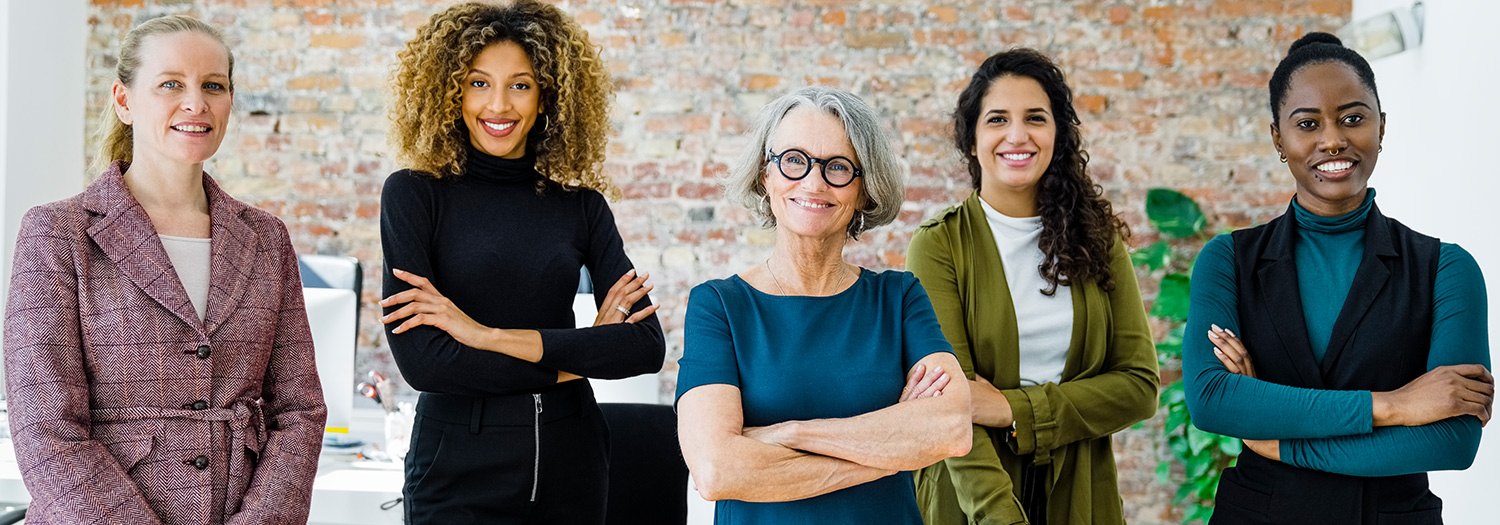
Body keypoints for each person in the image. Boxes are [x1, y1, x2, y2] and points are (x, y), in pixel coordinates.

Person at [3, 15, 327, 524]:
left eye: (213, 86)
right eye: (171, 84)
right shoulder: (57, 233)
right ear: (125, 101)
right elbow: (46, 427)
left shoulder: (266, 238)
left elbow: (299, 410)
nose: (196, 103)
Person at [1183, 32, 1493, 524]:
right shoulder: (1229, 260)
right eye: (1308, 124)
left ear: (1381, 127)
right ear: (1278, 139)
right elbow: (1214, 399)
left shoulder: (1447, 270)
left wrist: (1278, 439)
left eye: (1353, 118)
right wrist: (1393, 405)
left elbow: (1453, 440)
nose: (1333, 139)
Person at [379, 1, 665, 523]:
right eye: (478, 82)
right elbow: (425, 363)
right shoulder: (414, 196)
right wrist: (579, 357)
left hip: (572, 457)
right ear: (451, 91)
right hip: (457, 464)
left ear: (545, 96)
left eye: (521, 84)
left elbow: (644, 348)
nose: (499, 105)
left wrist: (480, 334)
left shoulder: (581, 207)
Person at [674, 85, 973, 525]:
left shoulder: (899, 297)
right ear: (766, 175)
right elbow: (718, 469)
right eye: (793, 161)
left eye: (838, 167)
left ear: (864, 191)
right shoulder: (718, 305)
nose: (813, 183)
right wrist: (892, 451)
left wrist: (792, 433)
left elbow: (951, 428)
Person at [906, 49, 1159, 525]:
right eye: (998, 119)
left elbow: (1138, 387)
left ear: (1057, 134)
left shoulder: (1097, 238)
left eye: (1035, 118)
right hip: (970, 502)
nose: (1017, 135)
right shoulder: (939, 245)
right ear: (973, 138)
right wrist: (1003, 518)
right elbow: (947, 408)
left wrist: (1012, 409)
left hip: (1082, 497)